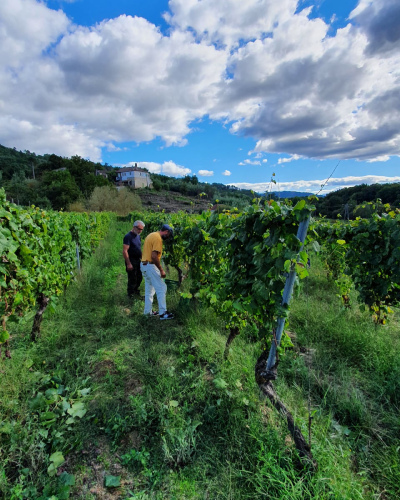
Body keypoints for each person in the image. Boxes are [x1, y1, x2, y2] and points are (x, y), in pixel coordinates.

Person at [140, 224, 174, 320]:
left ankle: (147, 312)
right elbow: (154, 256)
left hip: (144, 265)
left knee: (149, 290)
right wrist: (161, 270)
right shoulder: (158, 238)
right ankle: (163, 313)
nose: (168, 237)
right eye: (168, 235)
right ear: (166, 232)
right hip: (150, 266)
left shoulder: (151, 235)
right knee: (162, 288)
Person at [123, 220, 145, 299]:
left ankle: (136, 292)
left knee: (139, 277)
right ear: (134, 227)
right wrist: (128, 263)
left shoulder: (138, 236)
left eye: (141, 229)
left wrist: (143, 258)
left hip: (138, 260)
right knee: (132, 278)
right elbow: (125, 251)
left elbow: (138, 248)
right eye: (139, 229)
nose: (140, 231)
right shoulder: (128, 236)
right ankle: (131, 295)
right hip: (131, 260)